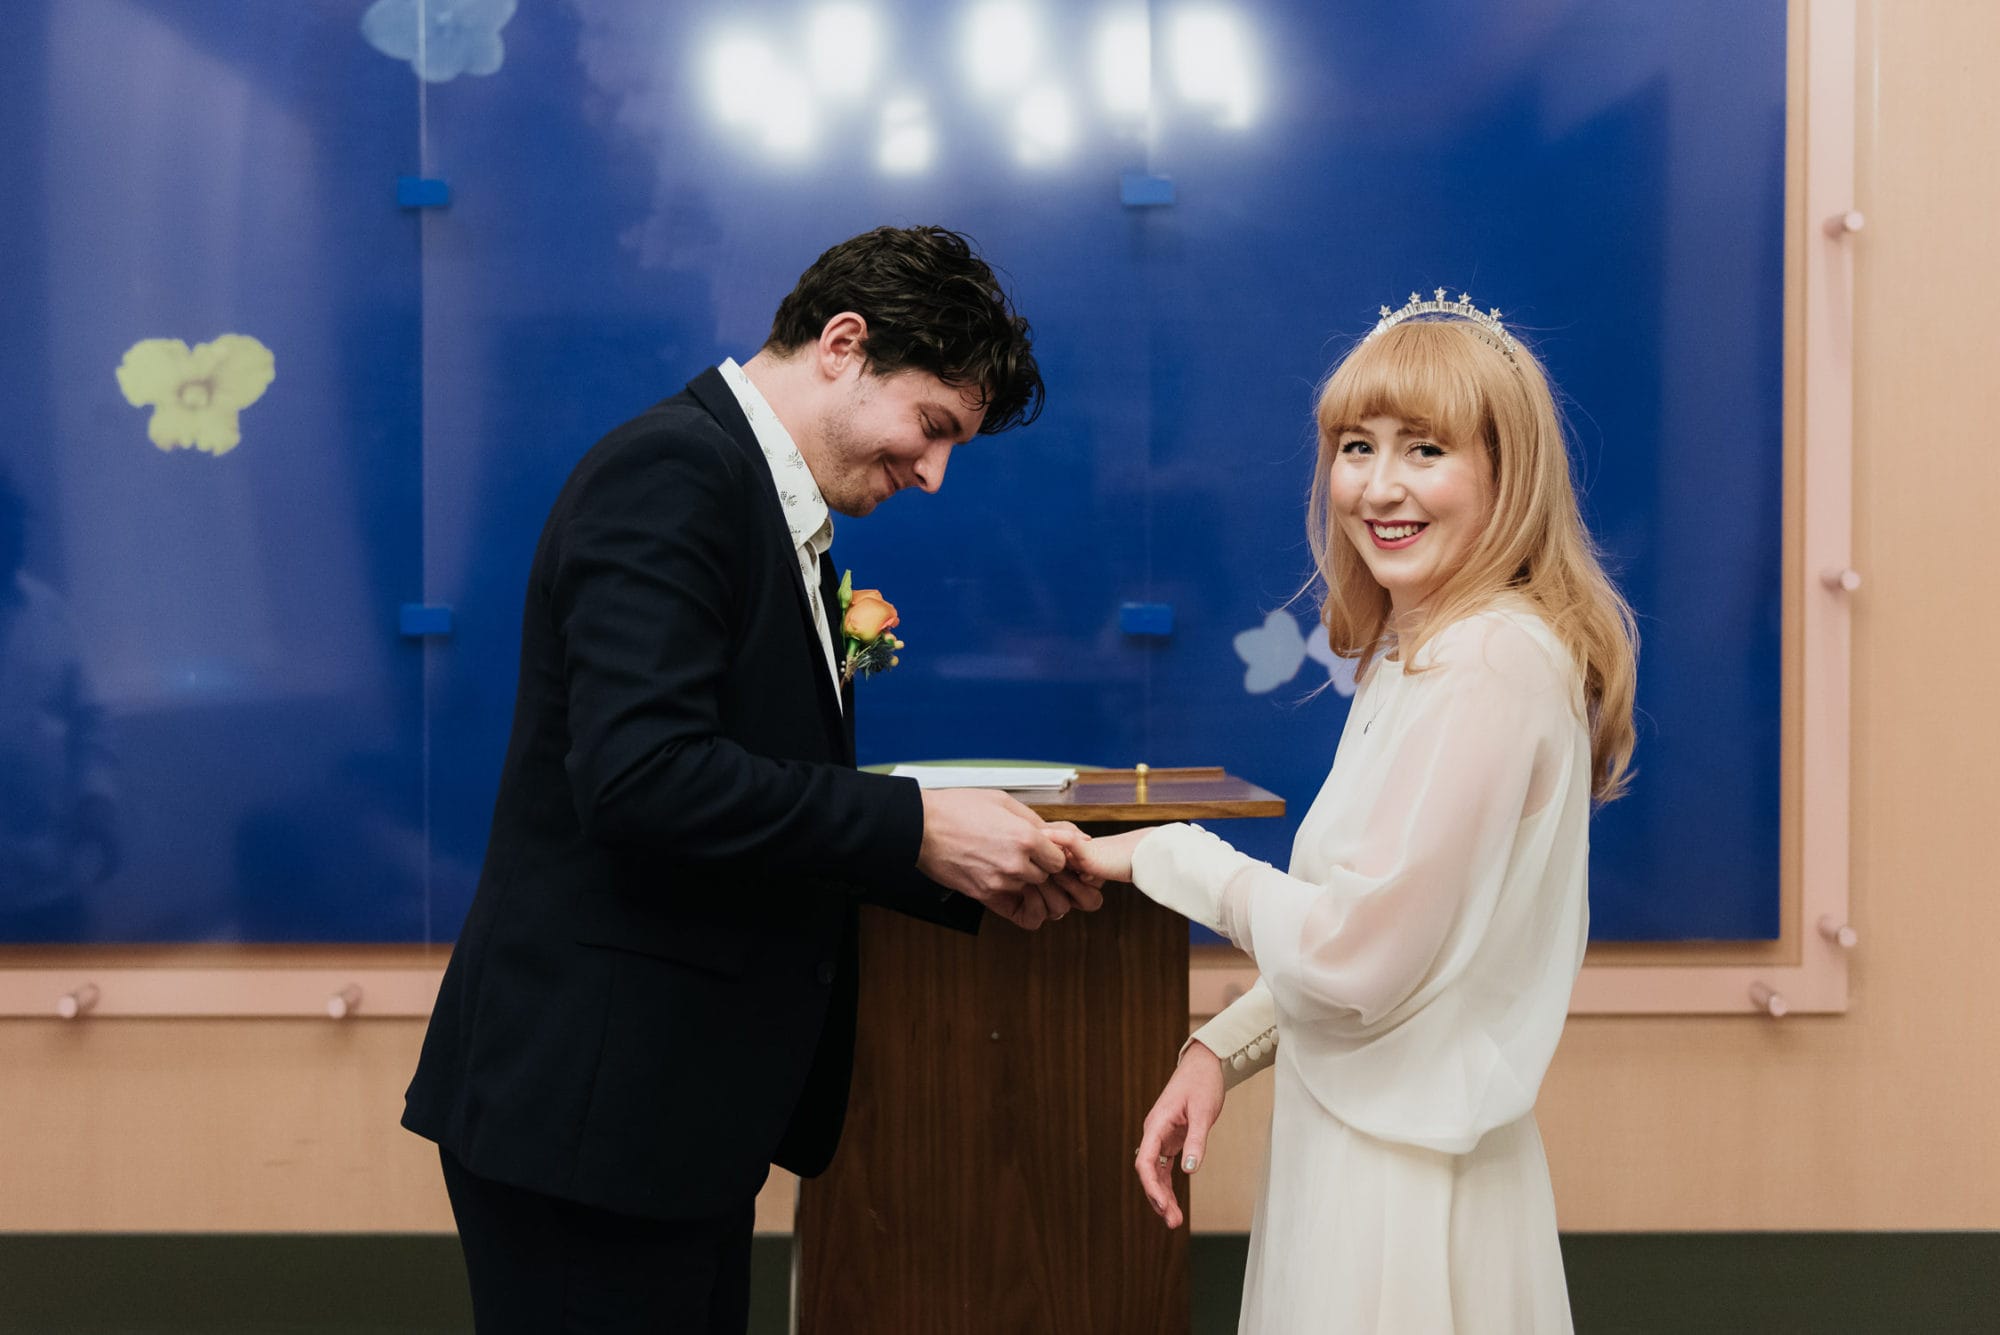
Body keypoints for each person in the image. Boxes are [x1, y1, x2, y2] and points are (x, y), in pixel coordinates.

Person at [403, 226, 1101, 1334]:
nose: (933, 475)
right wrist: (916, 826)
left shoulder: (759, 495)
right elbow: (644, 777)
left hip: (668, 1119)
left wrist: (954, 867)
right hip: (589, 1116)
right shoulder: (673, 473)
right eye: (931, 427)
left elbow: (758, 788)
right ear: (842, 344)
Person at [1068, 295, 1638, 1333]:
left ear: (1507, 473)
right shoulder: (1425, 651)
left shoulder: (1488, 659)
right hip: (1368, 1154)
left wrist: (1167, 854)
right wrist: (1220, 1047)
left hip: (1403, 1191)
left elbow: (1355, 955)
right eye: (1355, 447)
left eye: (1425, 448)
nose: (1378, 486)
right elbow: (1384, 932)